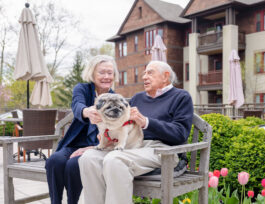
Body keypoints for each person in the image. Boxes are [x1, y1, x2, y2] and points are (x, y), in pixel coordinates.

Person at [78, 60, 194, 204]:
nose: (144, 77)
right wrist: (105, 129)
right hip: (132, 147)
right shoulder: (138, 98)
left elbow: (180, 133)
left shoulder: (181, 97)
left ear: (165, 76)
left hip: (163, 151)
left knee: (115, 159)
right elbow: (123, 126)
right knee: (88, 158)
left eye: (150, 73)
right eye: (144, 73)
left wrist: (146, 122)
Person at [45, 55, 119, 204]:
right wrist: (87, 111)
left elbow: (114, 134)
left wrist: (92, 148)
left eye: (110, 73)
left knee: (74, 164)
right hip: (74, 143)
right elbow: (77, 104)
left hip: (97, 147)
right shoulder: (82, 89)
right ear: (92, 74)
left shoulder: (115, 99)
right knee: (54, 161)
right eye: (101, 72)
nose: (106, 76)